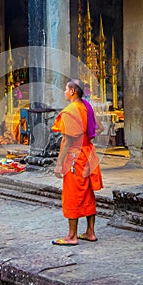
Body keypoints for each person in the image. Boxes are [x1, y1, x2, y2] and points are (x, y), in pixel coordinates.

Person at [51, 79, 103, 246]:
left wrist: (59, 164)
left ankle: (72, 236)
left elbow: (66, 140)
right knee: (88, 193)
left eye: (66, 89)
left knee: (72, 194)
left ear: (72, 91)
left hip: (75, 157)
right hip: (88, 155)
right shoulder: (86, 107)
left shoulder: (70, 110)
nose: (64, 92)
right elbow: (99, 128)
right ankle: (90, 232)